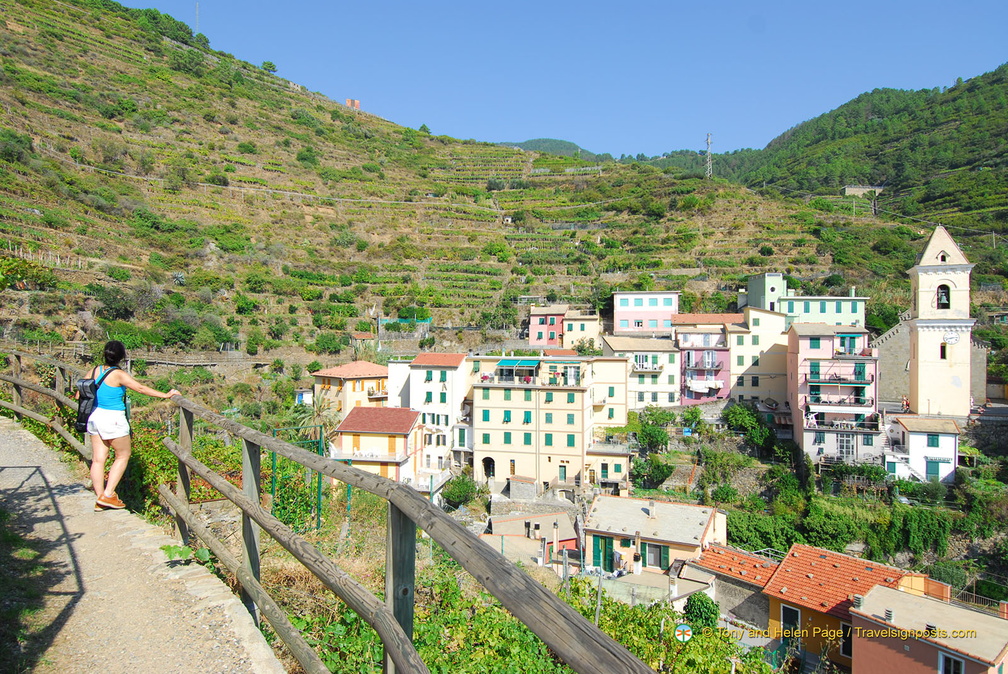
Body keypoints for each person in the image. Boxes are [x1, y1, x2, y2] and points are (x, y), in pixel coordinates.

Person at [85, 340, 179, 511]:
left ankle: (100, 498)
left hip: (95, 416)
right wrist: (165, 395)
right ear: (122, 356)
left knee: (98, 459)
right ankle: (108, 494)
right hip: (112, 418)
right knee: (123, 455)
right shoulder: (118, 374)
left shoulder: (94, 371)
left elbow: (80, 392)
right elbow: (140, 388)